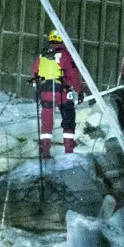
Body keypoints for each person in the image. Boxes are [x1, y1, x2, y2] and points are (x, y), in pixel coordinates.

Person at [32, 29, 85, 158]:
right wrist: (80, 91)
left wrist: (38, 88)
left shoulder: (42, 55)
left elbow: (34, 71)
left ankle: (45, 149)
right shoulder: (65, 55)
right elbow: (73, 75)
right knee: (69, 116)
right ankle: (69, 147)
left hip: (46, 92)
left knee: (46, 121)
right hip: (62, 91)